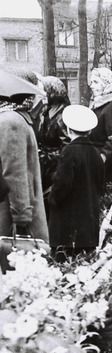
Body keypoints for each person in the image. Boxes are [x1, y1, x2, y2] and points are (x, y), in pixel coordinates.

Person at [48, 105, 104, 261]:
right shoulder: (95, 152)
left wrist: (53, 199)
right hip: (89, 220)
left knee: (64, 263)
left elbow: (62, 184)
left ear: (68, 129)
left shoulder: (69, 151)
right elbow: (101, 184)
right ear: (90, 130)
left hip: (67, 224)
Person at [0, 71, 49, 244]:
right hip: (13, 212)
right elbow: (15, 173)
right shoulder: (12, 121)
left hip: (10, 207)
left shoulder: (10, 118)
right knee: (18, 262)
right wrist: (22, 216)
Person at [37, 76, 71, 218]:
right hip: (45, 165)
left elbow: (67, 146)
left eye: (43, 90)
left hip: (54, 168)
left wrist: (48, 155)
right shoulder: (47, 111)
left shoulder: (63, 115)